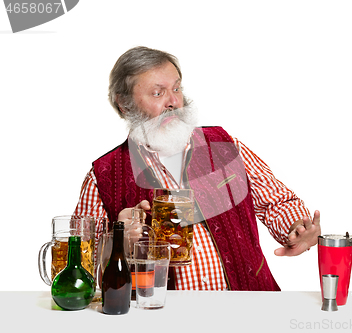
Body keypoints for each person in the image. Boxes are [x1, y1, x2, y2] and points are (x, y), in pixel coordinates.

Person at [74, 46, 321, 291]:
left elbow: (276, 201)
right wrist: (117, 242)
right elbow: (81, 265)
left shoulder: (225, 145)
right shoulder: (103, 175)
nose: (173, 101)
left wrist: (297, 227)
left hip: (249, 305)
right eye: (158, 93)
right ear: (125, 104)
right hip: (160, 318)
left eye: (176, 88)